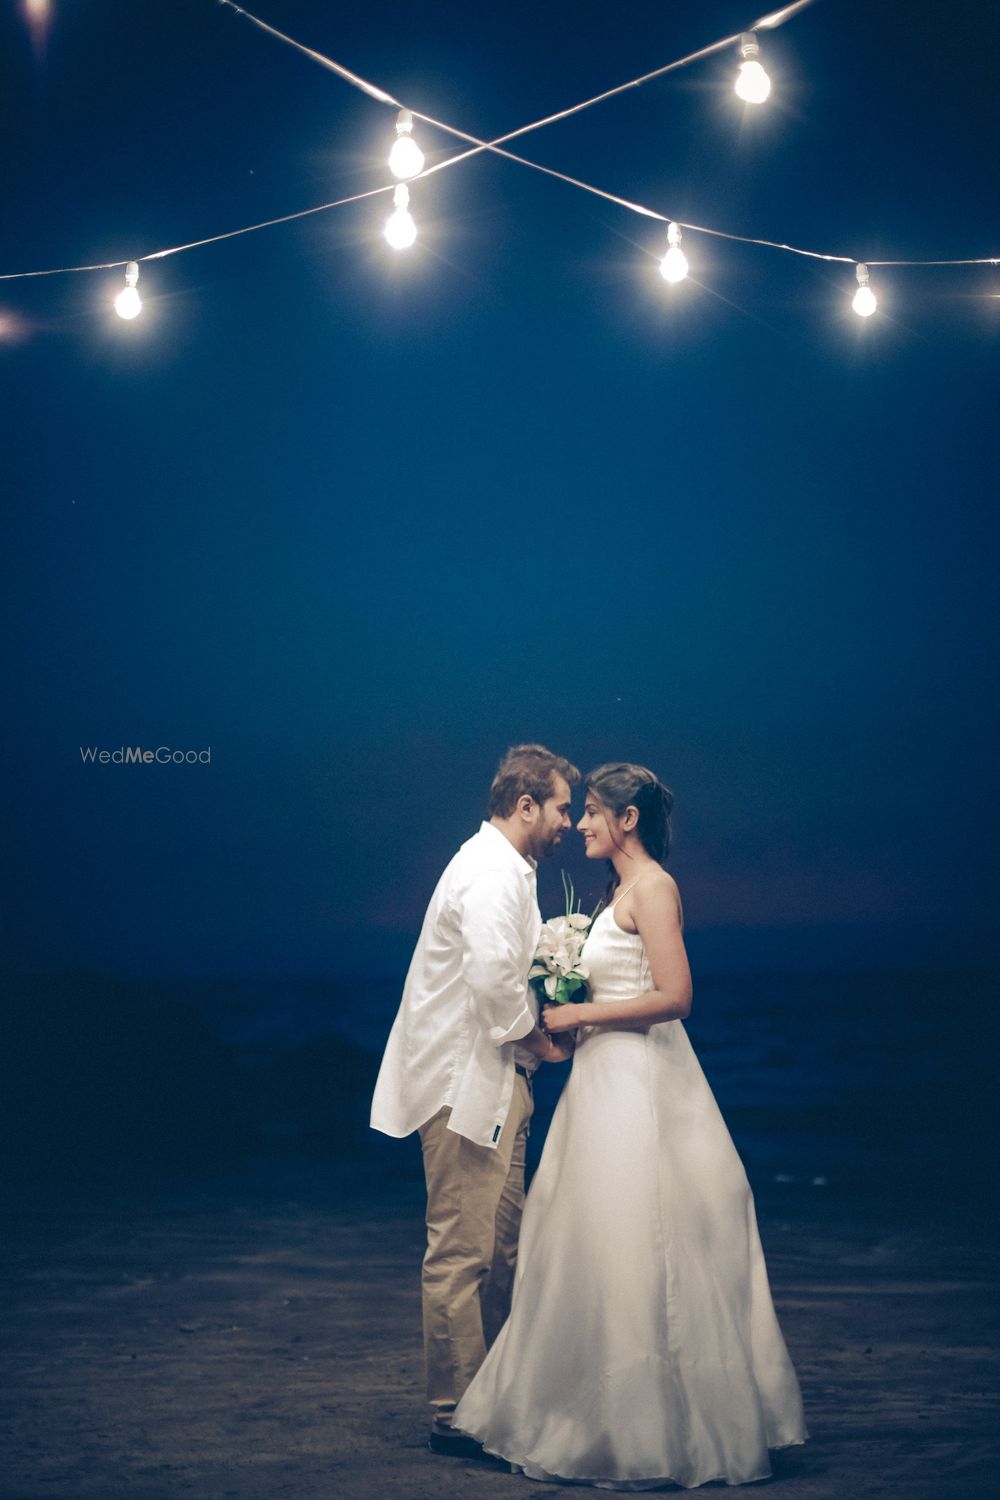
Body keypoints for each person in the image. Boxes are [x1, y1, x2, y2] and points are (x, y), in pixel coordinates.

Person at [453, 762, 808, 1489]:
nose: (580, 823)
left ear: (628, 819)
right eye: (578, 812)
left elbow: (675, 996)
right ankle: (590, 1414)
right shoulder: (617, 893)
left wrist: (580, 1012)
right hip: (600, 1084)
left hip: (642, 1085)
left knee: (638, 1238)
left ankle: (655, 1429)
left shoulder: (654, 888)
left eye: (591, 812)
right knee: (588, 1240)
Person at [370, 744, 579, 1459]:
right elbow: (496, 984)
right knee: (462, 1253)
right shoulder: (490, 873)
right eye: (559, 808)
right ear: (526, 805)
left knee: (502, 1249)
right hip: (464, 1091)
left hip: (492, 1084)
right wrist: (544, 1041)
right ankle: (455, 1413)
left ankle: (493, 1397)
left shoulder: (503, 869)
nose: (566, 824)